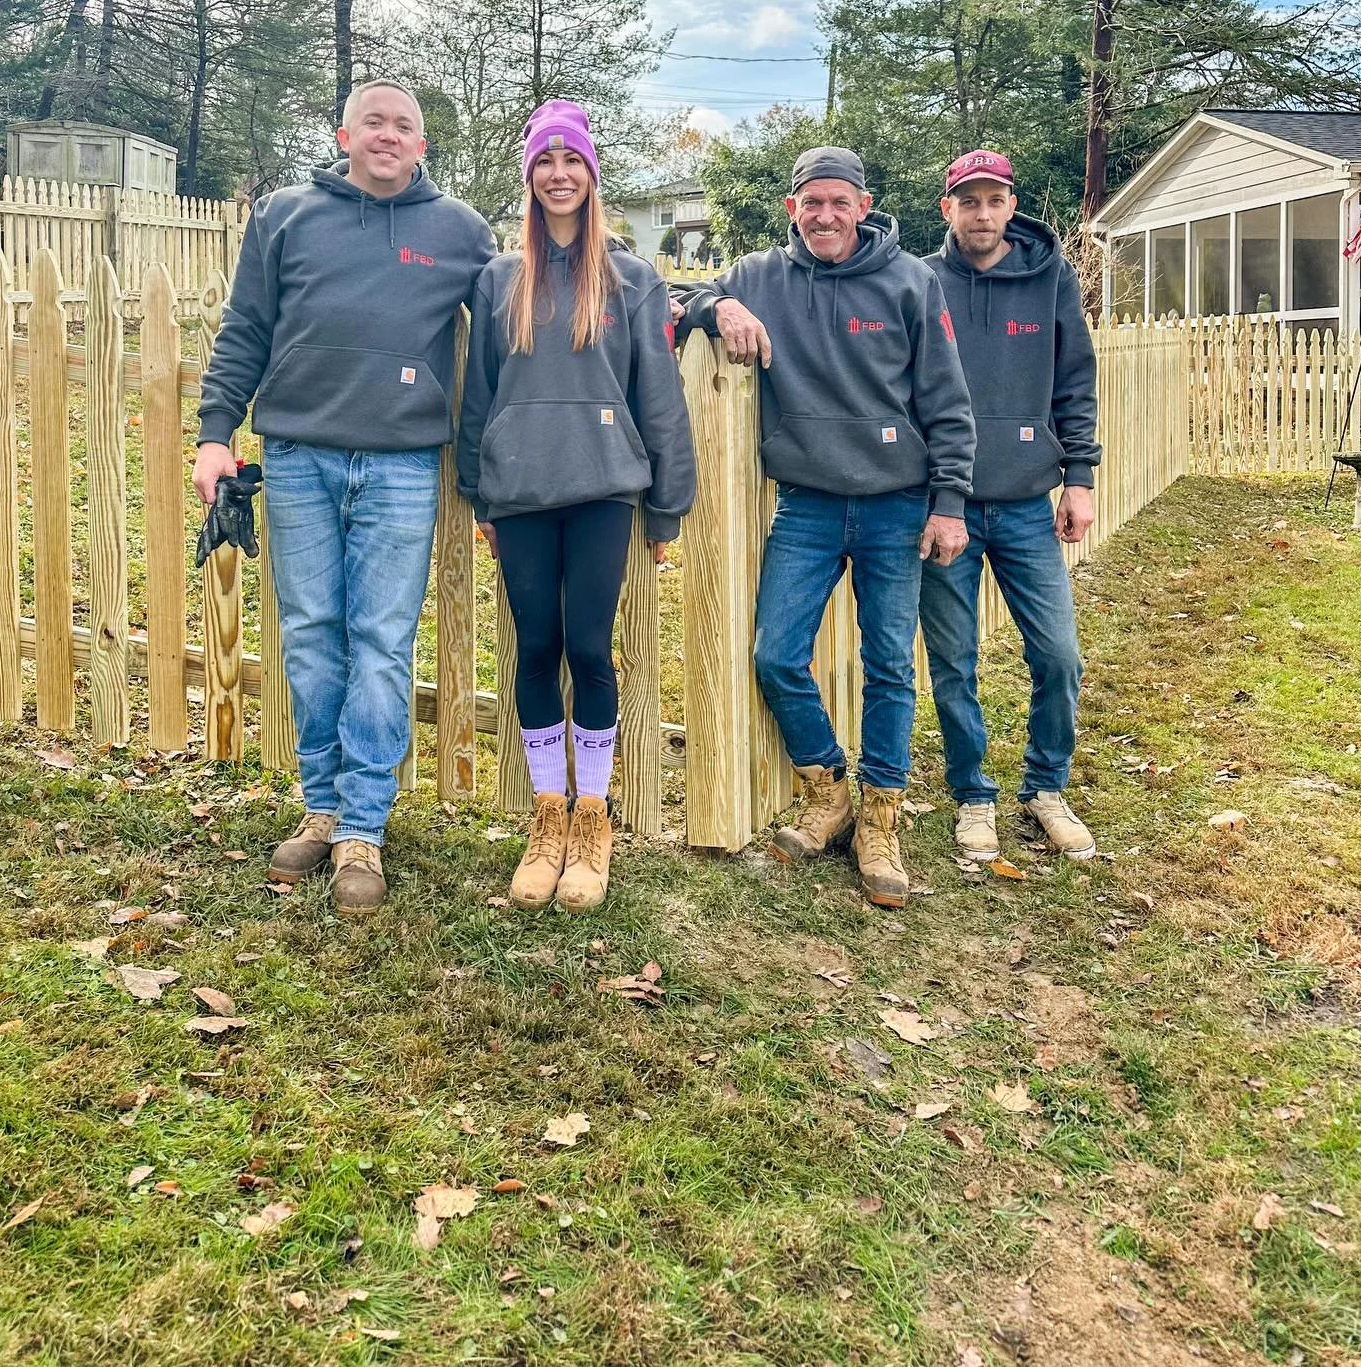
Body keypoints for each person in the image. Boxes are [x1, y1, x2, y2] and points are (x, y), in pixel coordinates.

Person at [193, 82, 496, 916]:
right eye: (375, 121)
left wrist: (683, 304)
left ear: (422, 144)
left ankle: (365, 827)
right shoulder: (287, 215)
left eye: (405, 125)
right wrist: (217, 431)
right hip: (297, 457)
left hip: (402, 466)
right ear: (345, 133)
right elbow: (246, 327)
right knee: (311, 632)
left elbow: (529, 309)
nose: (389, 135)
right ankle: (321, 807)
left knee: (382, 638)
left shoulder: (461, 232)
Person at [681, 147, 975, 908]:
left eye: (839, 202)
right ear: (792, 209)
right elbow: (682, 296)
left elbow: (946, 398)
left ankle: (881, 818)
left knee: (889, 665)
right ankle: (827, 787)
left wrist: (950, 501)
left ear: (863, 204)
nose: (825, 215)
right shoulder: (760, 277)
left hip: (896, 504)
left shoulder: (911, 281)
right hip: (807, 503)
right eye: (811, 202)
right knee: (776, 654)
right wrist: (723, 307)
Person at [457, 100, 696, 915]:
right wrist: (478, 489)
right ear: (529, 176)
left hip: (601, 491)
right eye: (545, 163)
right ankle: (547, 817)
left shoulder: (632, 279)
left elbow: (658, 399)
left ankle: (593, 819)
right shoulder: (499, 279)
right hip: (520, 493)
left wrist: (665, 509)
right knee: (535, 649)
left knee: (590, 651)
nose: (559, 175)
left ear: (592, 175)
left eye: (573, 162)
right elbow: (480, 394)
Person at [918, 149, 1101, 864]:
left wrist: (1078, 477)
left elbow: (1075, 380)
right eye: (969, 201)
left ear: (1010, 205)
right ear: (949, 209)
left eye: (994, 200)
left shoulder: (1050, 278)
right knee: (953, 662)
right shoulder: (922, 281)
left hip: (1027, 505)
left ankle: (1046, 785)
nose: (982, 213)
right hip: (948, 509)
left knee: (1058, 655)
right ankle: (972, 793)